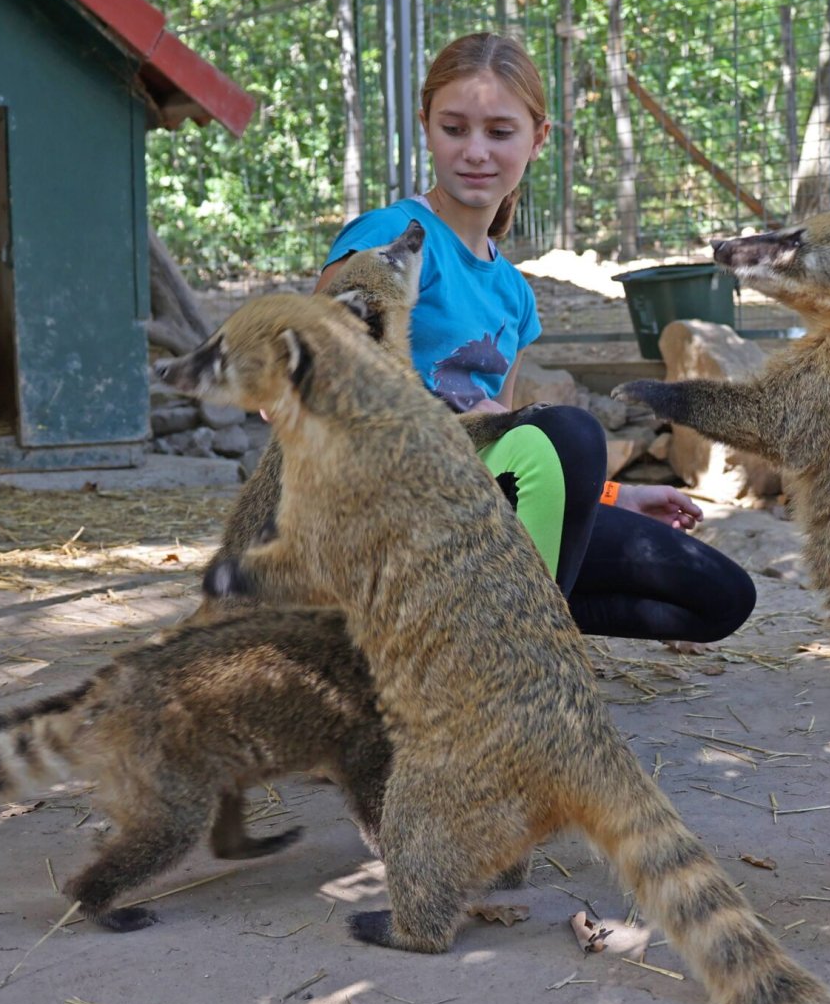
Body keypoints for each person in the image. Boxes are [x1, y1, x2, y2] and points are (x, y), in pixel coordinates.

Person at [316, 32, 753, 643]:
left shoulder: (514, 294)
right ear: (426, 125)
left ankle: (485, 624)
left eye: (499, 132)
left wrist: (606, 495)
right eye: (454, 128)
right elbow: (309, 374)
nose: (475, 152)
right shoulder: (392, 235)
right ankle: (514, 658)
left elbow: (515, 445)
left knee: (722, 596)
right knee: (573, 429)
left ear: (537, 138)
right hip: (399, 504)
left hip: (485, 503)